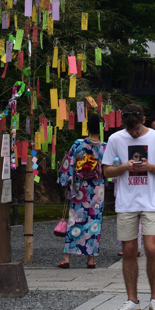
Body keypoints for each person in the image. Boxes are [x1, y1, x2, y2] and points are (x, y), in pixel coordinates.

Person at [104, 104, 155, 310]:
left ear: (143, 120)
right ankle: (132, 300)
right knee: (128, 251)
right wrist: (124, 167)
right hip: (126, 202)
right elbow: (106, 170)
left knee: (152, 249)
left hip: (150, 201)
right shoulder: (116, 139)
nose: (133, 134)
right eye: (130, 130)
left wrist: (150, 167)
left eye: (136, 130)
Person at [57, 113, 106, 269]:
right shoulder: (105, 147)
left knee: (75, 220)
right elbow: (108, 169)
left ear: (87, 127)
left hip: (80, 187)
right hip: (97, 189)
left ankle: (66, 258)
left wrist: (66, 184)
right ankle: (90, 259)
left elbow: (68, 165)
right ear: (102, 128)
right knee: (94, 221)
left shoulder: (78, 144)